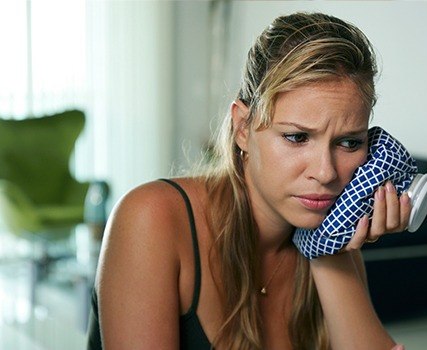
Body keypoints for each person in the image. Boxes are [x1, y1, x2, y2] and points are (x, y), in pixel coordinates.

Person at [87, 11, 410, 350]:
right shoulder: (151, 219)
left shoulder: (333, 242)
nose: (326, 172)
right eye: (297, 137)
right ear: (243, 128)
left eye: (349, 142)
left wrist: (328, 252)